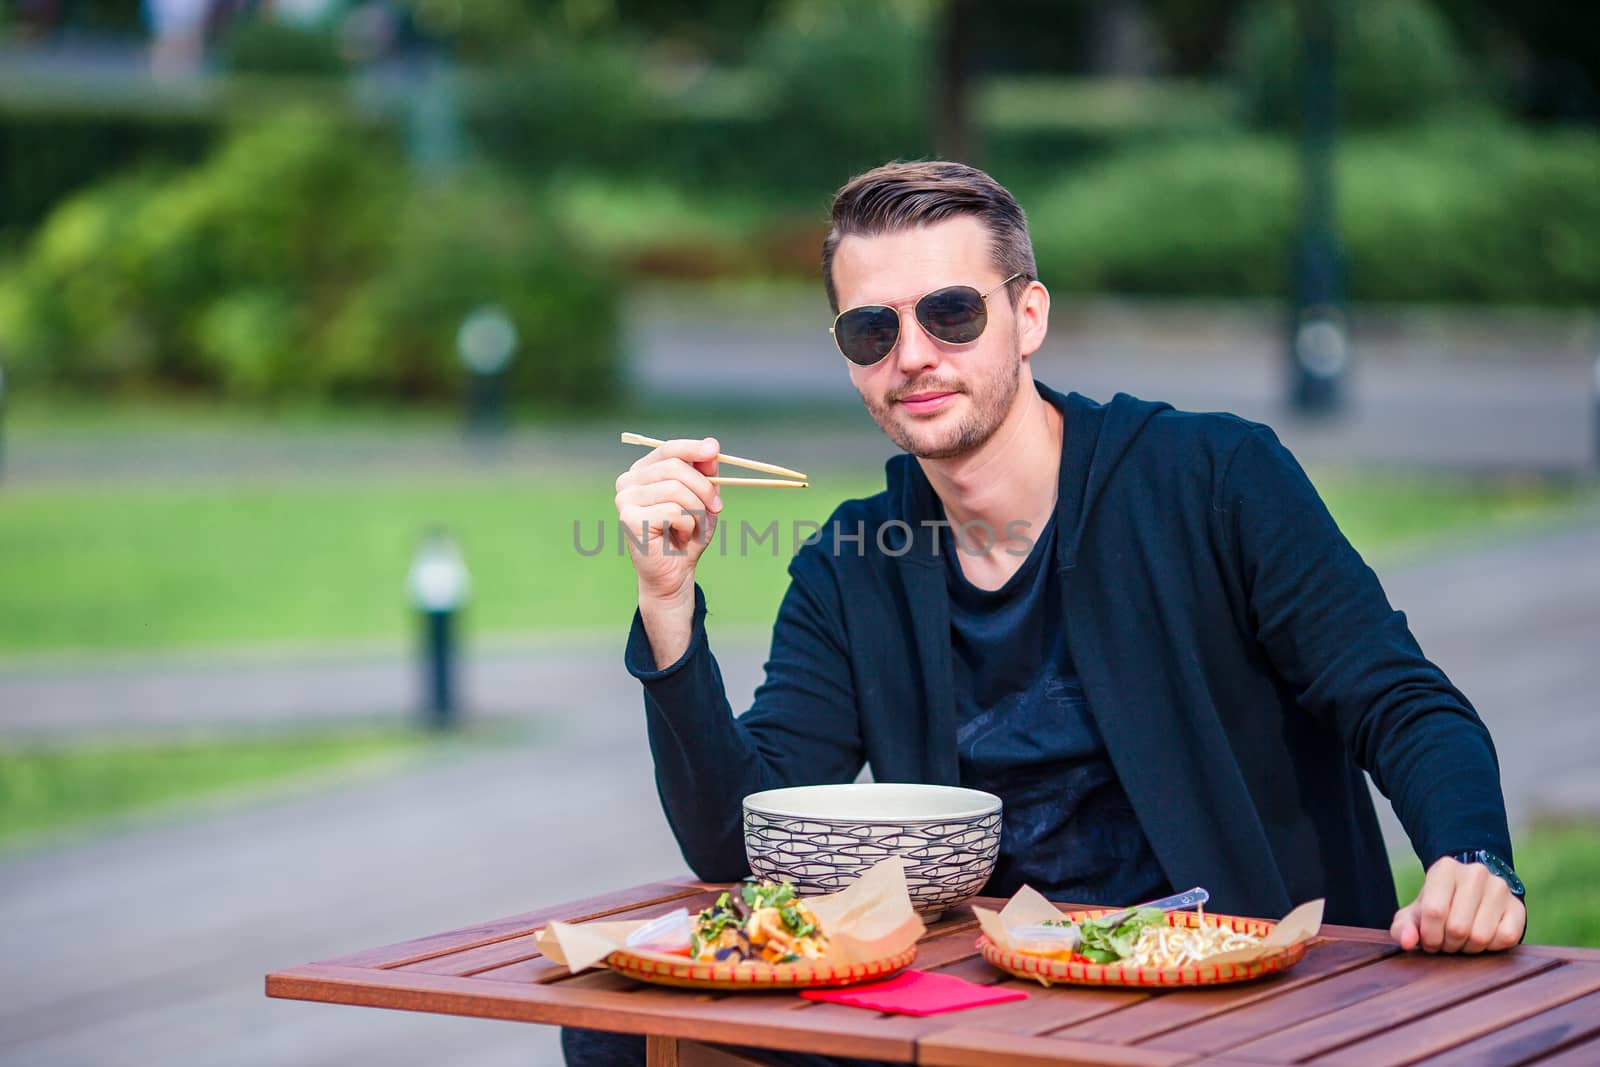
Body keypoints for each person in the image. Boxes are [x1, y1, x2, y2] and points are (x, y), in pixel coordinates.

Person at [569, 161, 1525, 1066]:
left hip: (1225, 994)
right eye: (871, 329)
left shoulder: (1213, 478)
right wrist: (668, 600)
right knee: (616, 1031)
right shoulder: (852, 563)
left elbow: (1400, 700)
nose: (912, 356)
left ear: (1028, 316)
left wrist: (1473, 858)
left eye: (951, 313)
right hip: (983, 1008)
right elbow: (744, 847)